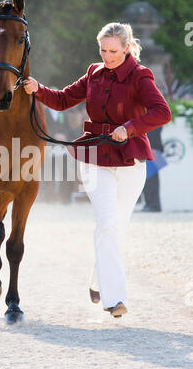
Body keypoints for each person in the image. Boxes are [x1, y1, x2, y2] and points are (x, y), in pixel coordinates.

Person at [23, 22, 171, 318]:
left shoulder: (141, 76)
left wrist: (129, 128)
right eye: (103, 50)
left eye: (113, 51)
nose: (107, 56)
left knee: (118, 228)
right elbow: (64, 99)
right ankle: (114, 299)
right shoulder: (93, 73)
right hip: (94, 157)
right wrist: (38, 90)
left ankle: (96, 279)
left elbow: (162, 112)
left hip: (131, 159)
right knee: (107, 223)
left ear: (127, 48)